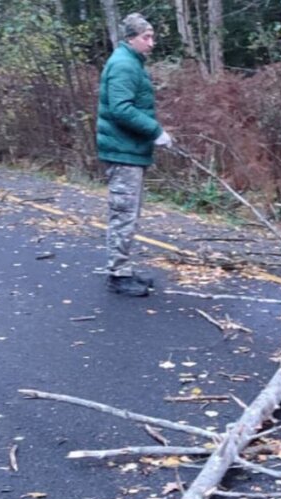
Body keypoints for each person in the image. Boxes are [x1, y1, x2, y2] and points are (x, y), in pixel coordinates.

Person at [96, 13, 173, 297]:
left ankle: (123, 268)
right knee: (123, 214)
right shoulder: (124, 65)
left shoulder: (131, 62)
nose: (151, 43)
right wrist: (155, 131)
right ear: (131, 38)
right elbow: (121, 109)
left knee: (129, 214)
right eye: (146, 37)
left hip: (130, 151)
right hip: (123, 152)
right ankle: (118, 275)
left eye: (152, 36)